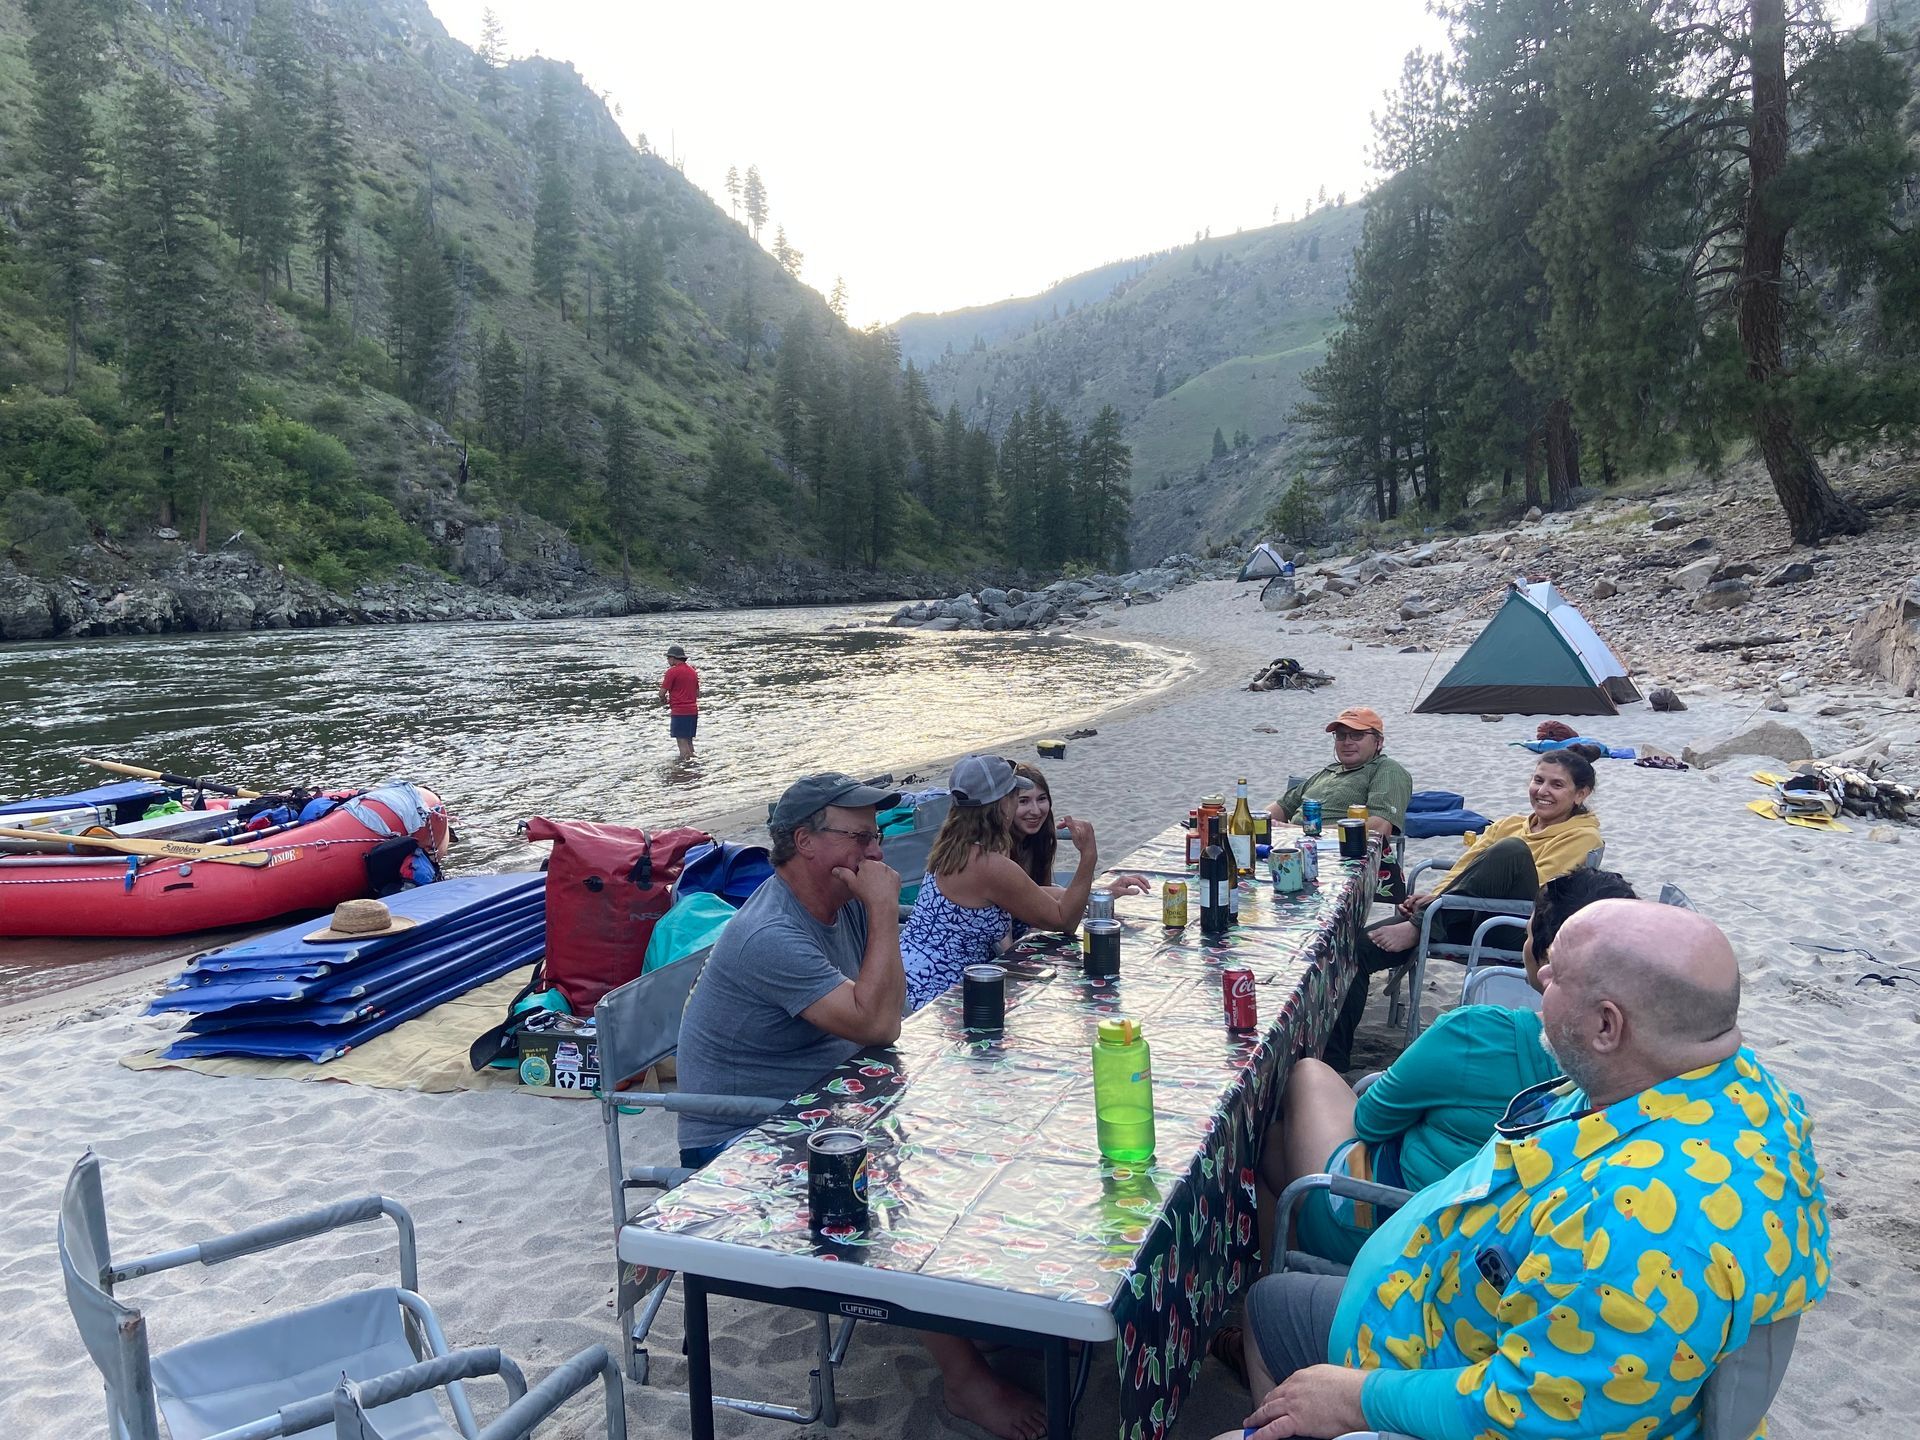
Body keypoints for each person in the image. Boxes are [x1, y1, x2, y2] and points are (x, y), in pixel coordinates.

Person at [1214, 900, 1828, 1440]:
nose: (1539, 978)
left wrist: (1354, 1400)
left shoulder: (1639, 1223)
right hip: (1442, 1315)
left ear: (1607, 1026)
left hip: (1432, 1378)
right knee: (1270, 1303)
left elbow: (1527, 1414)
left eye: (1557, 973)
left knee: (1277, 1337)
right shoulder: (1721, 1088)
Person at [675, 770, 1048, 1440]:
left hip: (822, 1101)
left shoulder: (836, 900)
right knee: (889, 1189)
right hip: (739, 1134)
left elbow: (887, 1000)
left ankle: (969, 1305)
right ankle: (963, 1381)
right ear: (804, 841)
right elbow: (879, 1023)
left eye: (876, 838)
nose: (874, 854)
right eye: (858, 838)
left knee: (976, 1121)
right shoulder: (772, 932)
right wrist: (881, 909)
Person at [1256, 869, 1636, 1273]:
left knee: (1305, 1077)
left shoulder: (1478, 1033)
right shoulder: (1638, 1068)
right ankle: (1296, 1287)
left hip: (1399, 1222)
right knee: (1278, 1143)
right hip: (1498, 1247)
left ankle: (1277, 1294)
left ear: (1541, 958)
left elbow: (1371, 1120)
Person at [1322, 750, 1604, 1073]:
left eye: (1557, 785)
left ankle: (1421, 925)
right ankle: (1334, 1062)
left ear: (1580, 794)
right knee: (1357, 947)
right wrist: (1435, 897)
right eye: (1538, 780)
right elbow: (1465, 868)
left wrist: (1431, 914)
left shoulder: (1582, 835)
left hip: (1520, 927)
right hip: (1469, 914)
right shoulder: (1511, 824)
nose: (1542, 791)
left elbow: (1543, 894)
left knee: (1511, 852)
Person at [901, 755, 1104, 1013]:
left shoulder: (952, 847)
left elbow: (1022, 894)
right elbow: (1064, 920)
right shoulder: (989, 864)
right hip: (937, 994)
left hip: (908, 980)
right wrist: (1088, 856)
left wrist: (1098, 893)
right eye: (1014, 795)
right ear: (1002, 804)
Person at [1267, 706, 1412, 845]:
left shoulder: (1386, 770)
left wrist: (1297, 832)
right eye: (1341, 736)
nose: (1347, 742)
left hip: (1340, 854)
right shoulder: (1326, 773)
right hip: (1292, 847)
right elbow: (1278, 809)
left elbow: (1379, 828)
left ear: (1378, 742)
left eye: (1357, 735)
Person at [1010, 761, 1150, 898]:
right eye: (1023, 801)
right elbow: (1025, 897)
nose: (1035, 811)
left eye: (1041, 799)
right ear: (1005, 805)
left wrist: (1103, 892)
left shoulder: (1039, 840)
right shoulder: (999, 849)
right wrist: (1089, 854)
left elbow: (1043, 895)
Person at [659, 643, 700, 762]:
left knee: (682, 743)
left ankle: (684, 770)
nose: (667, 660)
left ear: (673, 658)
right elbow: (697, 693)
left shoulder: (672, 672)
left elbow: (661, 693)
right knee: (689, 742)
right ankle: (693, 768)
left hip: (680, 712)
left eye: (668, 658)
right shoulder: (693, 671)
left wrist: (664, 701)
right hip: (693, 711)